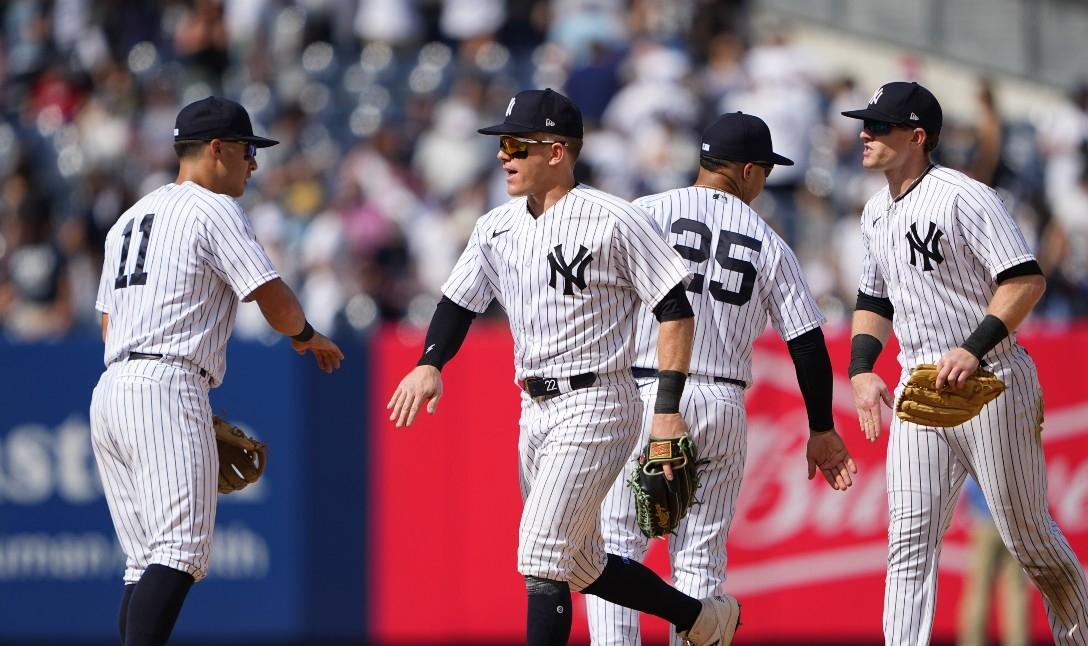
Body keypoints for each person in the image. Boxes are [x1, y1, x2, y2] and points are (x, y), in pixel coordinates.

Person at [386, 88, 739, 646]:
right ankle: (700, 618)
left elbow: (675, 308)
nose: (503, 156)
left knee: (540, 552)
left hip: (598, 400)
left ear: (556, 151)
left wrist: (667, 409)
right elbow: (458, 302)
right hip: (534, 405)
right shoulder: (495, 226)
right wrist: (431, 362)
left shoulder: (613, 217)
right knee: (579, 564)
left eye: (516, 145)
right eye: (502, 145)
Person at [842, 81, 1088, 646]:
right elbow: (873, 300)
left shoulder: (966, 196)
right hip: (919, 386)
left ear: (917, 137)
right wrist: (863, 367)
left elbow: (1025, 280)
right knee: (908, 540)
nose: (864, 133)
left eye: (880, 126)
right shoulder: (873, 212)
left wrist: (973, 345)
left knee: (1027, 537)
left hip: (992, 379)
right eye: (865, 123)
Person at [585, 112, 858, 645]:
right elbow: (806, 343)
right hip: (722, 401)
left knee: (615, 549)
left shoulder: (645, 212)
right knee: (700, 563)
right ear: (749, 171)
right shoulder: (768, 240)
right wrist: (822, 428)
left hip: (643, 391)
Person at [89, 96, 344, 645]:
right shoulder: (213, 208)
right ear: (217, 149)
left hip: (112, 388)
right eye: (249, 150)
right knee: (181, 552)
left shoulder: (127, 219)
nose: (254, 164)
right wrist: (306, 336)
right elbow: (271, 297)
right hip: (166, 381)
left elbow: (109, 325)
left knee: (145, 561)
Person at [957, 478, 1030, 646]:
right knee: (1016, 590)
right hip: (1015, 524)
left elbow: (966, 488)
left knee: (979, 590)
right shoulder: (1022, 450)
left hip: (985, 522)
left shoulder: (978, 450)